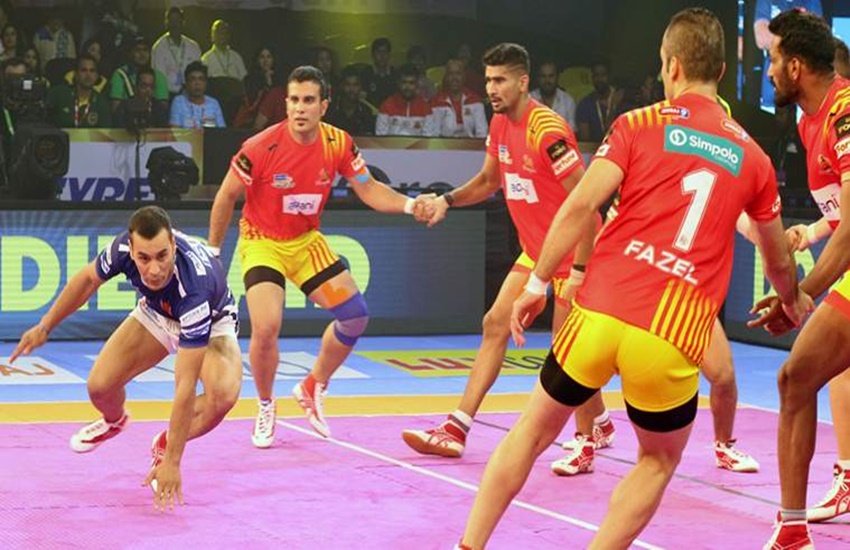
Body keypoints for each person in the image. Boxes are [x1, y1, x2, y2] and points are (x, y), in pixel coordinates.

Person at [457, 9, 810, 548]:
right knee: (656, 460)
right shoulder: (755, 158)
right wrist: (792, 301)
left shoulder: (637, 124)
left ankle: (468, 544)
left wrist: (537, 283)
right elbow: (778, 260)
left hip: (599, 309)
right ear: (719, 70)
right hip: (670, 331)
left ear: (671, 66)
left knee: (529, 432)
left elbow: (580, 205)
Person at [207, 65, 430, 448]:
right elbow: (226, 195)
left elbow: (369, 189)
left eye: (308, 100)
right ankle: (265, 405)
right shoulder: (260, 146)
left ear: (323, 106)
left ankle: (313, 385)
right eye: (294, 100)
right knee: (266, 327)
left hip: (306, 241)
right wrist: (213, 252)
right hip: (262, 241)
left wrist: (411, 206)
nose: (299, 108)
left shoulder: (338, 143)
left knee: (355, 315)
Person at [401, 43, 595, 458]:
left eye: (500, 80)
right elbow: (489, 181)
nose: (491, 88)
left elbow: (588, 207)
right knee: (495, 323)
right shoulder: (500, 122)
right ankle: (456, 428)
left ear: (523, 82)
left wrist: (579, 272)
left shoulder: (548, 131)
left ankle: (587, 437)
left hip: (574, 256)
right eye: (488, 79)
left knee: (566, 350)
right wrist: (447, 200)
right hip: (536, 252)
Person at [9, 206, 242, 511]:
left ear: (173, 245)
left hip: (212, 323)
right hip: (157, 314)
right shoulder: (120, 249)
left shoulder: (195, 287)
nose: (154, 269)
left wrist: (172, 459)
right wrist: (45, 326)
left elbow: (185, 384)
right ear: (131, 249)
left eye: (162, 256)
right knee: (99, 387)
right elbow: (87, 280)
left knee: (223, 395)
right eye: (144, 258)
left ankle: (164, 441)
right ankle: (114, 420)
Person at [755, 9, 850, 547]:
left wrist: (798, 295)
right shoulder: (808, 121)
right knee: (797, 378)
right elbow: (840, 216)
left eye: (772, 60)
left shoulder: (845, 113)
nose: (768, 71)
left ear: (795, 66)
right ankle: (792, 530)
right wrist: (811, 236)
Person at [46, 54, 112, 128]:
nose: (88, 75)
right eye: (84, 70)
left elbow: (105, 132)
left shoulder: (102, 102)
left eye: (92, 71)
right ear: (76, 74)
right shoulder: (58, 94)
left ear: (97, 76)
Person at [431, 58, 488, 138]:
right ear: (446, 77)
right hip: (444, 145)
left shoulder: (475, 100)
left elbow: (482, 133)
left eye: (458, 73)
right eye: (451, 74)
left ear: (464, 76)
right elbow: (434, 134)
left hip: (470, 145)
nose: (454, 78)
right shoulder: (436, 102)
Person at [151, 7, 201, 95]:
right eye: (171, 21)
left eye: (177, 20)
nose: (175, 24)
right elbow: (158, 78)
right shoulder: (159, 47)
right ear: (166, 23)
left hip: (190, 94)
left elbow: (198, 73)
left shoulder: (193, 47)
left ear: (183, 22)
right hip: (167, 95)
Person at [169, 61, 225, 128]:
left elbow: (222, 131)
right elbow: (174, 131)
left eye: (201, 79)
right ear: (186, 83)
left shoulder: (214, 103)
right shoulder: (179, 101)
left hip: (210, 135)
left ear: (206, 83)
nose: (197, 83)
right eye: (193, 79)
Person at [530, 60, 576, 128]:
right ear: (538, 78)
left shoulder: (567, 101)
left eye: (551, 76)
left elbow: (572, 131)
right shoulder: (529, 99)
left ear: (557, 77)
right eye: (543, 76)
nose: (547, 80)